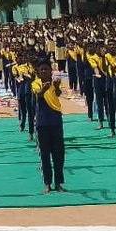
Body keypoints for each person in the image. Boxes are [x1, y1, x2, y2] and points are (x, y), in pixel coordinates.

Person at [33, 59, 65, 194]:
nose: (44, 71)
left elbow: (58, 94)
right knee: (44, 155)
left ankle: (58, 183)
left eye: (46, 69)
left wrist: (56, 87)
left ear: (51, 71)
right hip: (42, 123)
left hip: (56, 121)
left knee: (58, 154)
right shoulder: (36, 83)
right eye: (42, 70)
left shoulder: (54, 83)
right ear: (38, 72)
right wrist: (44, 88)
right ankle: (47, 183)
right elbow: (38, 95)